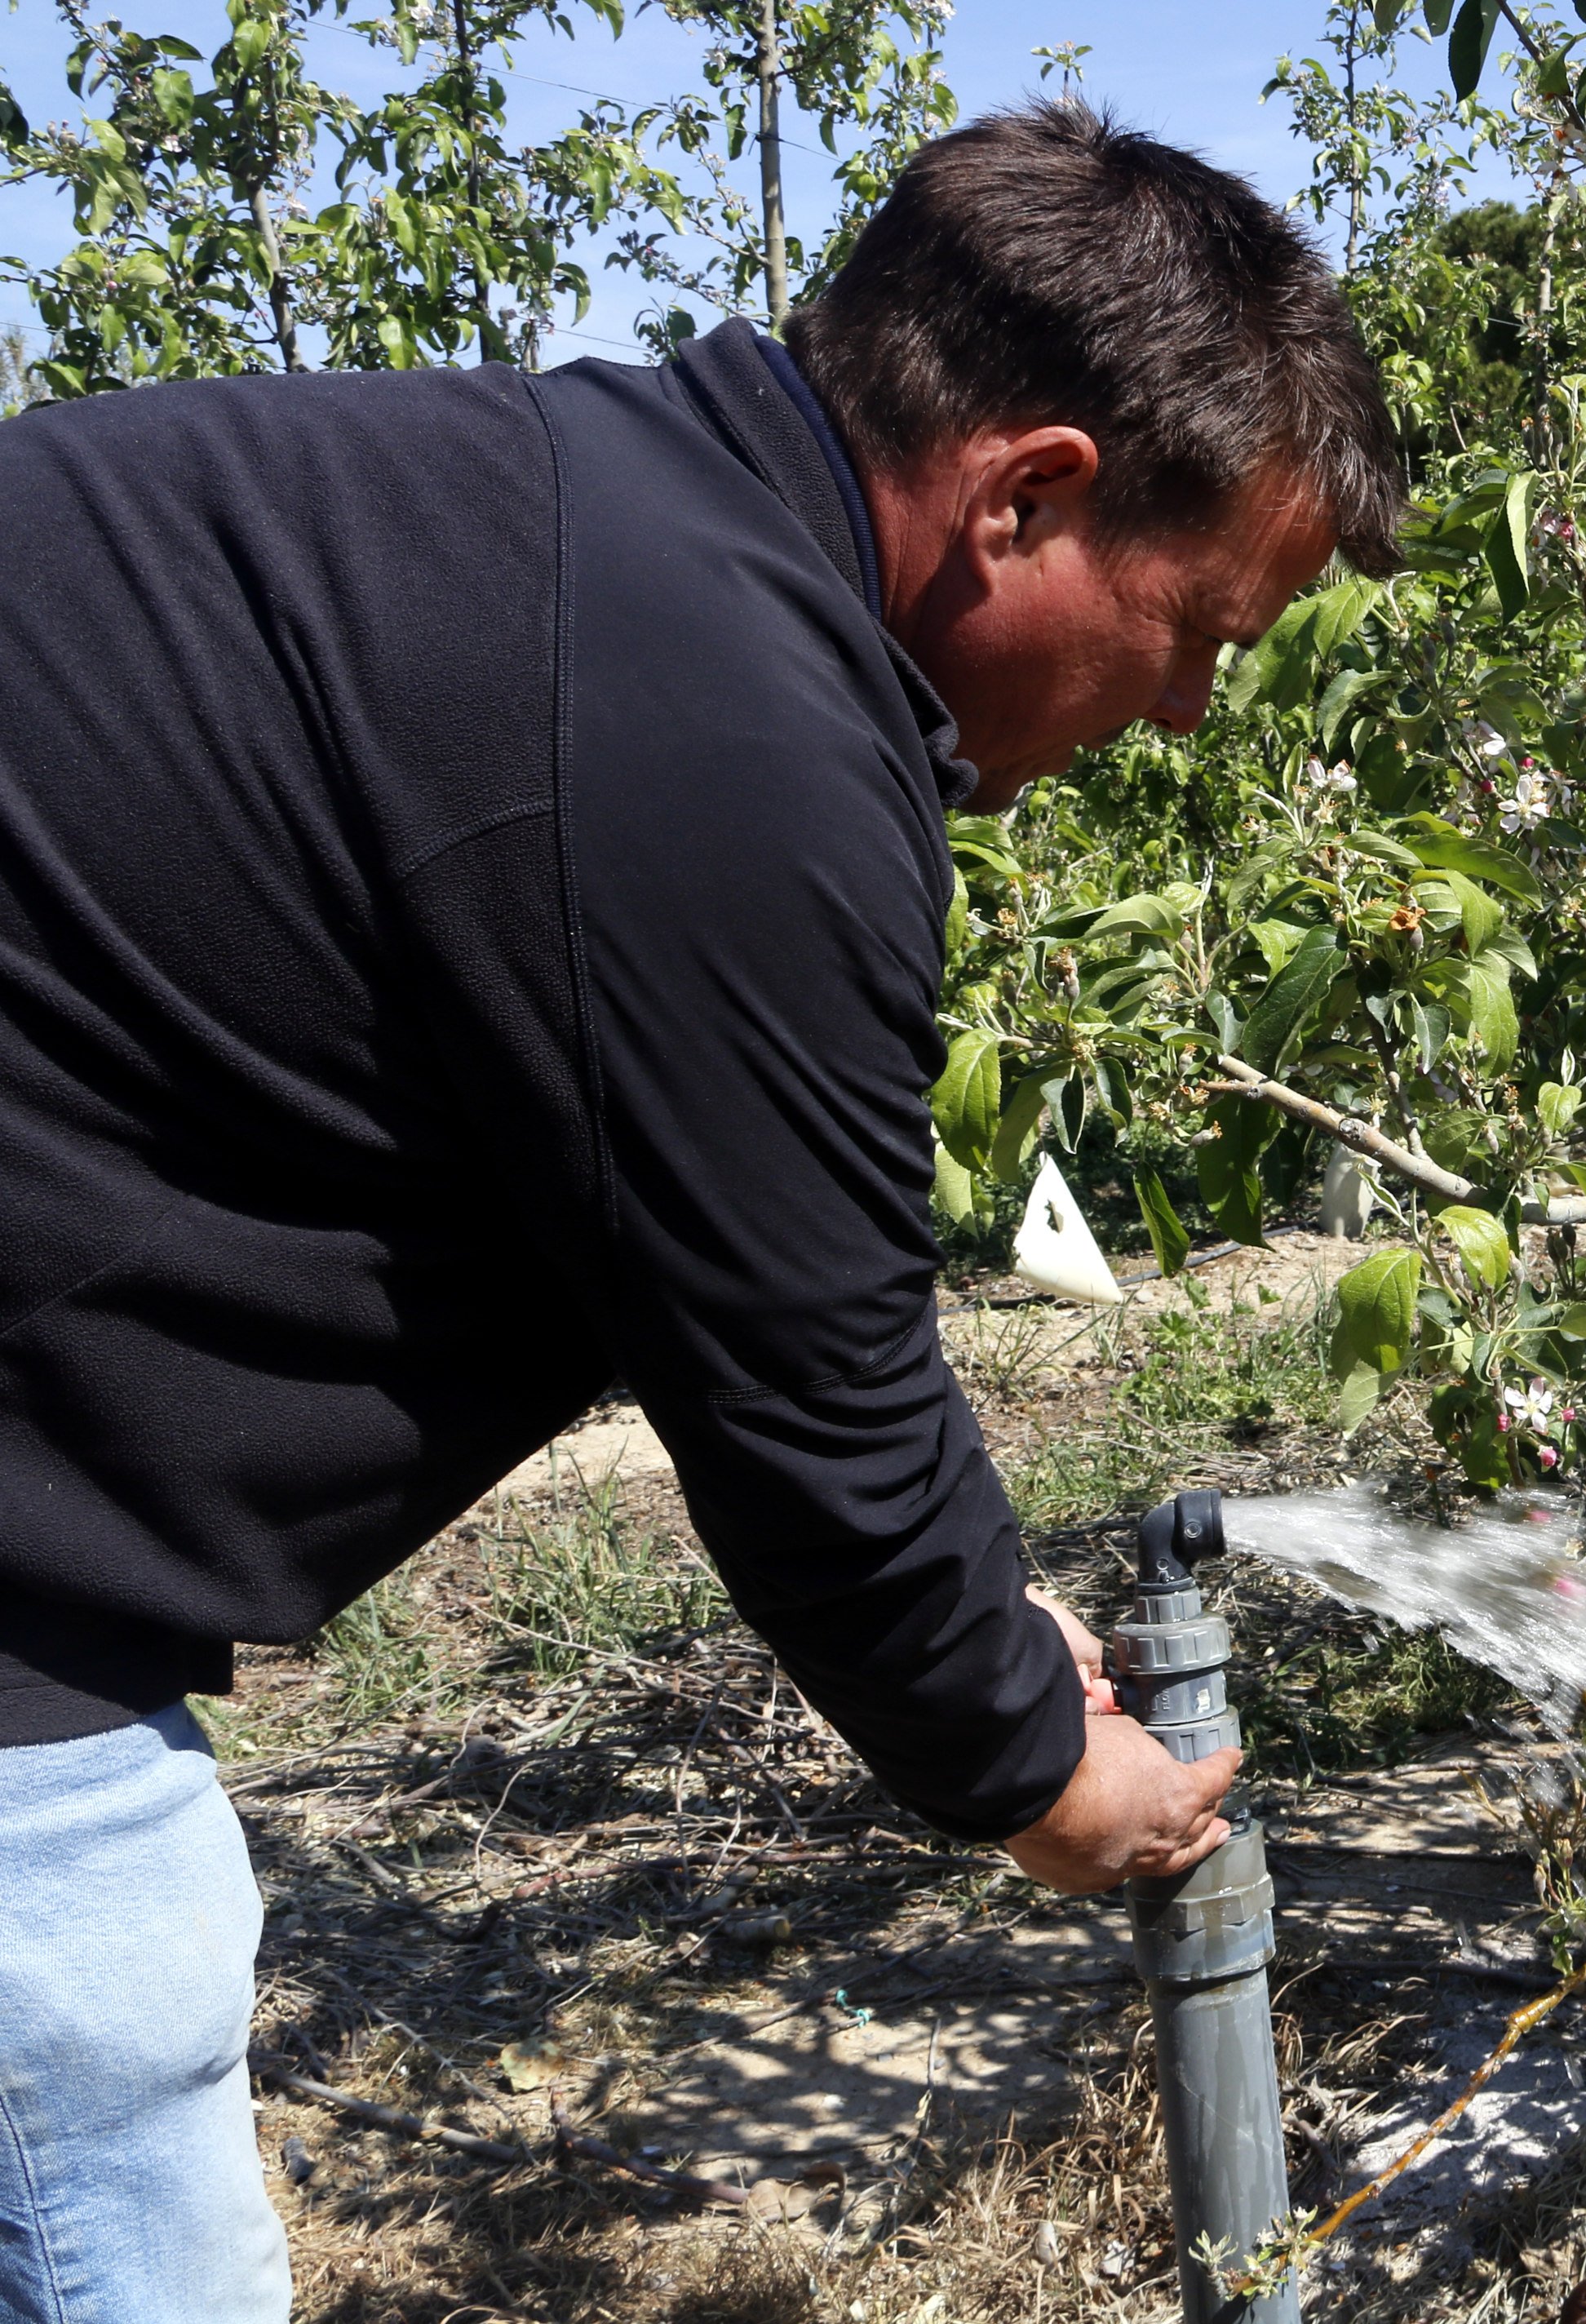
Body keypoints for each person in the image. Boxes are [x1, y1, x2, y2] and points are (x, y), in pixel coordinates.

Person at [0, 100, 1400, 2321]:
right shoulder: (728, 732)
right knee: (94, 2077)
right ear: (1028, 495)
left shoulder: (594, 535)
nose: (1192, 712)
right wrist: (1048, 1776)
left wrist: (986, 1639)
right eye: (1195, 631)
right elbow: (813, 1392)